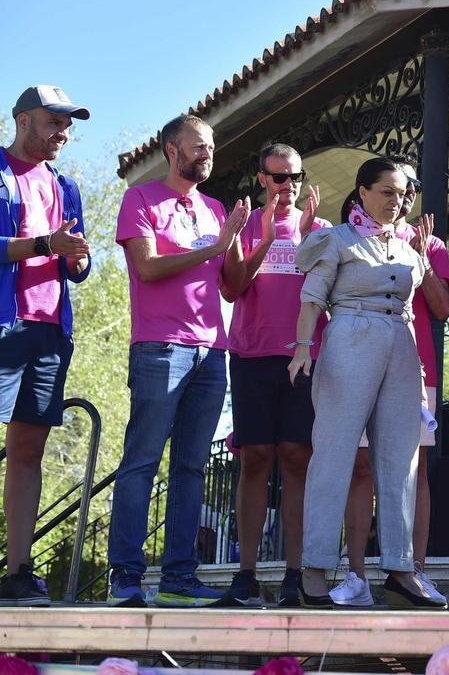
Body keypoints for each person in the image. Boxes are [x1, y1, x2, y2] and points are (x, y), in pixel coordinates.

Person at [288, 156, 446, 610]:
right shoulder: (334, 239)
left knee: (402, 461)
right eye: (388, 192)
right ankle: (314, 569)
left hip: (400, 344)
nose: (397, 201)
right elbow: (312, 298)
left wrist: (416, 372)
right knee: (334, 455)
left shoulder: (409, 249)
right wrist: (302, 347)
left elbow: (417, 311)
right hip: (349, 339)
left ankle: (400, 569)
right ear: (362, 192)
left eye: (403, 194)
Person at [108, 114, 250, 607]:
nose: (207, 153)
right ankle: (125, 577)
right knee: (142, 462)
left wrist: (259, 241)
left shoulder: (214, 208)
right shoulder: (141, 199)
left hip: (212, 351)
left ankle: (178, 580)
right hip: (160, 348)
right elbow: (146, 268)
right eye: (198, 145)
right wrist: (215, 245)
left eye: (211, 145)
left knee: (191, 467)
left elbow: (232, 285)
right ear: (173, 149)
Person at [220, 143, 326, 607]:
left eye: (295, 177)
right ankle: (245, 575)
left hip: (305, 358)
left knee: (297, 458)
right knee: (255, 458)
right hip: (250, 355)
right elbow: (232, 287)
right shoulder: (241, 224)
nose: (288, 186)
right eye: (279, 177)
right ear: (261, 178)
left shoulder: (320, 230)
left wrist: (307, 239)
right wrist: (262, 238)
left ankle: (295, 573)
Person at [0, 86, 91, 607]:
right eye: (54, 122)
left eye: (68, 123)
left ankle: (17, 572)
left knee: (28, 449)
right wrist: (44, 245)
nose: (63, 132)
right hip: (4, 327)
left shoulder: (66, 185)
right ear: (23, 119)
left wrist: (76, 259)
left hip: (51, 331)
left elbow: (76, 265)